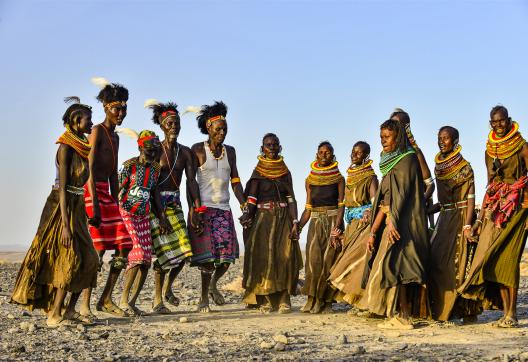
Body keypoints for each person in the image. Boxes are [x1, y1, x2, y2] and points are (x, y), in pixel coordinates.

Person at [11, 97, 99, 327]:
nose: (92, 124)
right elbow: (62, 188)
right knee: (66, 259)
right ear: (75, 121)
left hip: (77, 205)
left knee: (90, 259)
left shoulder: (82, 147)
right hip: (61, 207)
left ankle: (69, 311)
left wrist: (86, 211)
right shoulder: (65, 148)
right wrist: (66, 226)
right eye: (88, 120)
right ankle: (54, 314)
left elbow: (82, 185)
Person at [459, 106, 528, 328]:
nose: (498, 125)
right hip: (497, 210)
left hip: (519, 208)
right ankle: (505, 313)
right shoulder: (489, 151)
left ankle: (512, 313)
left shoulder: (522, 146)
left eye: (501, 121)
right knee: (494, 261)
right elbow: (490, 183)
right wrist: (480, 219)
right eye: (493, 122)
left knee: (509, 261)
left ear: (509, 120)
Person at [360, 119, 429, 330]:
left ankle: (404, 317)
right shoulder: (390, 162)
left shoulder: (407, 160)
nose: (383, 141)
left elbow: (402, 196)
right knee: (395, 267)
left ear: (398, 136)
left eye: (387, 137)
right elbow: (386, 199)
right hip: (393, 220)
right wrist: (373, 231)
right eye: (381, 137)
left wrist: (393, 224)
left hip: (406, 223)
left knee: (400, 267)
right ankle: (399, 314)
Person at [82, 78, 133, 317]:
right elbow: (89, 169)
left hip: (107, 196)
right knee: (98, 250)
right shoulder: (97, 132)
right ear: (106, 109)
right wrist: (96, 206)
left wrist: (117, 202)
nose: (121, 113)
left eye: (123, 109)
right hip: (92, 193)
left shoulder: (116, 137)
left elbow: (113, 172)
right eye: (116, 109)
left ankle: (106, 298)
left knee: (125, 245)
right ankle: (83, 305)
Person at [189, 101, 246, 312]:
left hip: (224, 209)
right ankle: (203, 298)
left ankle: (213, 285)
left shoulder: (230, 151)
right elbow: (191, 182)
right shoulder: (197, 150)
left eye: (225, 129)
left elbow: (236, 180)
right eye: (219, 129)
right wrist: (194, 209)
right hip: (204, 208)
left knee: (227, 256)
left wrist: (243, 203)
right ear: (208, 127)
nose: (222, 132)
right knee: (207, 259)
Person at [145, 100, 199, 313]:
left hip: (175, 203)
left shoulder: (185, 153)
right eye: (170, 123)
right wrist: (161, 215)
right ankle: (157, 300)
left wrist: (195, 209)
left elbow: (191, 182)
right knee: (163, 254)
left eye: (177, 123)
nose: (174, 126)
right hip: (156, 206)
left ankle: (167, 288)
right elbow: (151, 184)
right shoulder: (155, 151)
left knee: (185, 252)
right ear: (162, 126)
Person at [241, 133, 303, 314]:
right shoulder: (258, 172)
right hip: (263, 219)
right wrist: (247, 217)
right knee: (263, 258)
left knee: (285, 257)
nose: (272, 147)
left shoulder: (285, 172)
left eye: (275, 144)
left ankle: (284, 298)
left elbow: (291, 199)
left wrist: (295, 221)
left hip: (284, 218)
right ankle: (264, 299)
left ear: (280, 147)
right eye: (268, 145)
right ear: (262, 149)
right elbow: (251, 200)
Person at [427, 126, 482, 322]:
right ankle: (442, 311)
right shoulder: (438, 167)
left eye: (446, 138)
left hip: (460, 218)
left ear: (456, 140)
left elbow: (470, 198)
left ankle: (468, 313)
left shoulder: (465, 167)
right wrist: (424, 210)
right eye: (439, 138)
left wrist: (468, 225)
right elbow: (441, 202)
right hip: (444, 218)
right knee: (435, 262)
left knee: (459, 266)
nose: (442, 141)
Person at [117, 130, 171, 316]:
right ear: (140, 147)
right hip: (128, 214)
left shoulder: (155, 170)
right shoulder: (129, 166)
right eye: (150, 149)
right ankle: (123, 300)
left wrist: (162, 217)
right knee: (138, 254)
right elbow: (118, 188)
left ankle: (131, 303)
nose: (153, 151)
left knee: (146, 261)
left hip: (144, 216)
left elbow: (154, 194)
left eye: (156, 148)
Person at [328, 141, 378, 306]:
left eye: (359, 153)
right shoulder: (348, 177)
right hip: (351, 225)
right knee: (349, 261)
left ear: (366, 156)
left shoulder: (371, 177)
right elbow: (344, 204)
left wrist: (369, 211)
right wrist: (339, 226)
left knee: (357, 263)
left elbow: (375, 201)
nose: (354, 155)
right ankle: (356, 302)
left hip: (363, 226)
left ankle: (363, 302)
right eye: (353, 151)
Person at [298, 141, 345, 314]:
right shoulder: (310, 180)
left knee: (329, 261)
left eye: (327, 152)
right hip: (316, 222)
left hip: (333, 220)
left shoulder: (339, 178)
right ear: (316, 155)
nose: (324, 155)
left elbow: (341, 205)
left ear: (332, 156)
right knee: (313, 261)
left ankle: (325, 302)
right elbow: (308, 207)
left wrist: (337, 228)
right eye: (321, 152)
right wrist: (299, 226)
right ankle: (311, 299)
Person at [390, 108, 435, 229]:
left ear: (406, 127)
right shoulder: (387, 156)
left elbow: (430, 184)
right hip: (392, 212)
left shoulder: (415, 152)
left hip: (412, 215)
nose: (393, 127)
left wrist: (418, 203)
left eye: (397, 124)